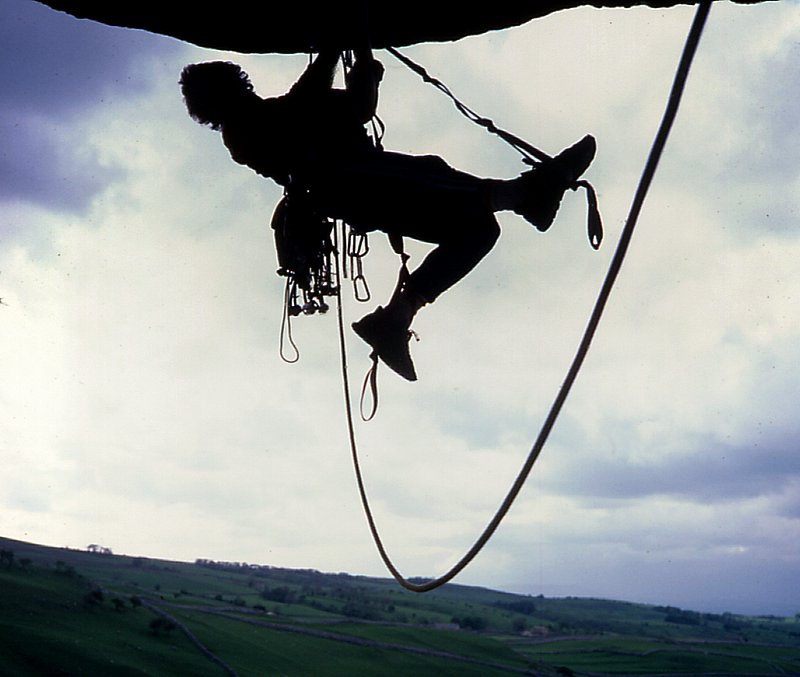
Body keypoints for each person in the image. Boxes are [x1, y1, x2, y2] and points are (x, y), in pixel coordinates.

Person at [180, 50, 596, 381]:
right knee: (441, 186)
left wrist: (352, 54)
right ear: (230, 92)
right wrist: (340, 53)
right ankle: (528, 195)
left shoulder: (260, 120)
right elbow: (318, 105)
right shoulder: (246, 128)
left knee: (478, 230)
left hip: (362, 191)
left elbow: (336, 104)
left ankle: (396, 319)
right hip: (356, 182)